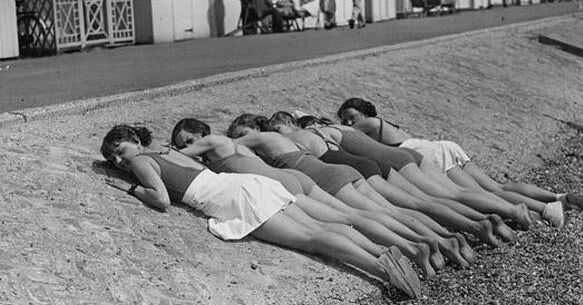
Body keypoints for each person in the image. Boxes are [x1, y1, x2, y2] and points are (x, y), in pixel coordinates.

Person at [100, 124, 421, 297]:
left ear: (133, 141)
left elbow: (161, 199)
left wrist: (129, 187)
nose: (118, 161)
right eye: (112, 159)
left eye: (119, 151)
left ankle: (385, 272)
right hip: (246, 185)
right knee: (319, 225)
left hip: (235, 200)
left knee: (313, 238)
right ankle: (384, 252)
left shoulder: (141, 161)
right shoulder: (166, 149)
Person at [170, 117, 468, 275]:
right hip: (296, 178)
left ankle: (413, 247)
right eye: (188, 142)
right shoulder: (244, 145)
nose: (191, 145)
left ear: (201, 133)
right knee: (364, 214)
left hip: (283, 185)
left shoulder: (216, 141)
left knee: (341, 222)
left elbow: (175, 156)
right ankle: (430, 240)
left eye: (191, 139)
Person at [226, 113, 505, 253]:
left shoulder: (278, 140)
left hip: (343, 171)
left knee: (396, 210)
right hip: (383, 159)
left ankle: (453, 234)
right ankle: (476, 221)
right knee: (435, 199)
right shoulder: (323, 129)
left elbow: (228, 147)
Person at [337, 98, 583, 222]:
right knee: (496, 187)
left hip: (430, 156)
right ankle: (558, 198)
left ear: (364, 112)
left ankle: (545, 210)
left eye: (350, 115)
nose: (348, 122)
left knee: (485, 194)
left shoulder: (367, 124)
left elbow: (343, 136)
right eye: (344, 119)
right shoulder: (382, 124)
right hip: (440, 147)